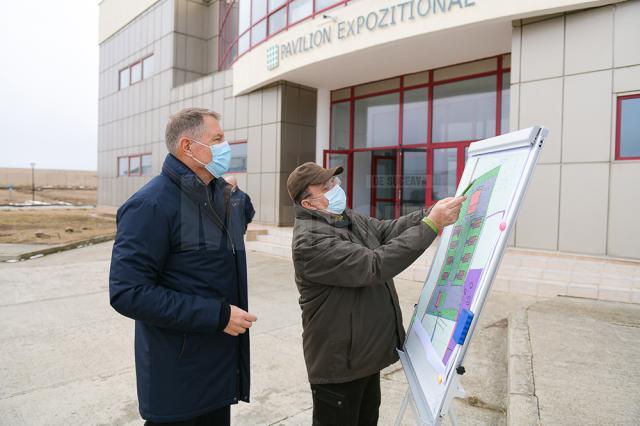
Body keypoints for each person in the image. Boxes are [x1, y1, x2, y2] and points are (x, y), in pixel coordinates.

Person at [109, 108, 257, 425]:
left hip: (218, 371)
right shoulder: (150, 205)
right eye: (217, 138)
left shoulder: (214, 193)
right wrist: (217, 315)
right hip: (179, 379)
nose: (226, 145)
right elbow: (128, 292)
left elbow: (241, 219)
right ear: (188, 147)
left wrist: (234, 194)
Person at [287, 162, 465, 425]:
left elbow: (386, 230)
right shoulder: (311, 241)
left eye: (334, 183)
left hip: (362, 357)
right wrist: (430, 225)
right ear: (309, 204)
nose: (336, 188)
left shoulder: (345, 219)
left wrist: (429, 213)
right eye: (326, 187)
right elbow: (373, 265)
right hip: (339, 365)